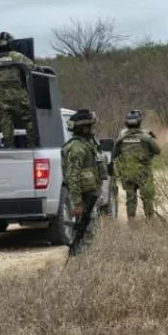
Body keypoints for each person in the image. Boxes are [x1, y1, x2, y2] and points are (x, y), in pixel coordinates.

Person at [62, 109, 107, 256]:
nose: (92, 130)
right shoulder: (76, 148)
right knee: (84, 232)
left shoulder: (87, 144)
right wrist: (77, 203)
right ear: (84, 128)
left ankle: (84, 260)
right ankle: (80, 261)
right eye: (90, 127)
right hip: (83, 198)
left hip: (89, 195)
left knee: (89, 230)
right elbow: (73, 176)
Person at [0, 31, 34, 146]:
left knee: (5, 122)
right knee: (29, 119)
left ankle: (9, 146)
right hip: (18, 93)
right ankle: (31, 145)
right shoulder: (16, 56)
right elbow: (32, 66)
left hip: (1, 96)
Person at [113, 110, 160, 220]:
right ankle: (150, 220)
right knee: (147, 197)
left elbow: (114, 154)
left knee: (130, 198)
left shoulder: (121, 138)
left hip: (128, 173)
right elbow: (158, 151)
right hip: (144, 173)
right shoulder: (146, 137)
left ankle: (132, 221)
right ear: (139, 122)